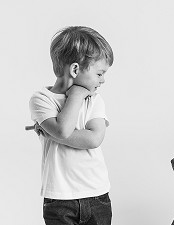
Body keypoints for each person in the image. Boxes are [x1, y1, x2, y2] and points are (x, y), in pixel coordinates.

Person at [29, 26, 114, 225]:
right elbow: (63, 130)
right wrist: (75, 94)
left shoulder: (94, 100)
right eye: (100, 74)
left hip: (97, 196)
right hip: (59, 199)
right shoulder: (42, 99)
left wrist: (50, 134)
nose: (103, 80)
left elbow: (93, 139)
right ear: (75, 69)